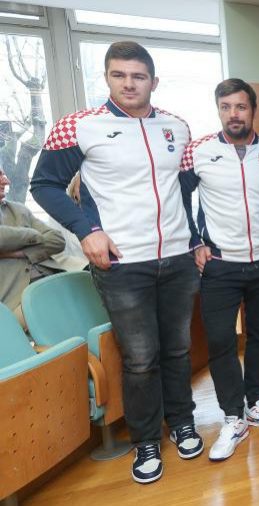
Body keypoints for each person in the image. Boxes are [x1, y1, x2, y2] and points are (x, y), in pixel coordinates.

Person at [31, 41, 202, 484]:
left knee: (178, 349)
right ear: (107, 77)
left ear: (153, 81)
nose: (129, 84)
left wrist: (195, 238)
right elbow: (44, 184)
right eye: (119, 75)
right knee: (141, 358)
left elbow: (182, 191)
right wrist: (87, 231)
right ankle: (146, 441)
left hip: (178, 258)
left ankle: (182, 422)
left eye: (138, 76)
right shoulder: (80, 126)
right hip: (123, 265)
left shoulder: (177, 127)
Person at [179, 78, 259, 462]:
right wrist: (194, 240)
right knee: (221, 340)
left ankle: (256, 402)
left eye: (240, 106)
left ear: (253, 110)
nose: (233, 114)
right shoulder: (199, 152)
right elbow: (177, 198)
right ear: (218, 110)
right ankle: (232, 417)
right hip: (220, 265)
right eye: (225, 107)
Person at [0, 168, 66, 322]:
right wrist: (32, 234)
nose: (6, 181)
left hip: (53, 277)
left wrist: (18, 253)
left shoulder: (18, 209)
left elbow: (57, 240)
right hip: (15, 297)